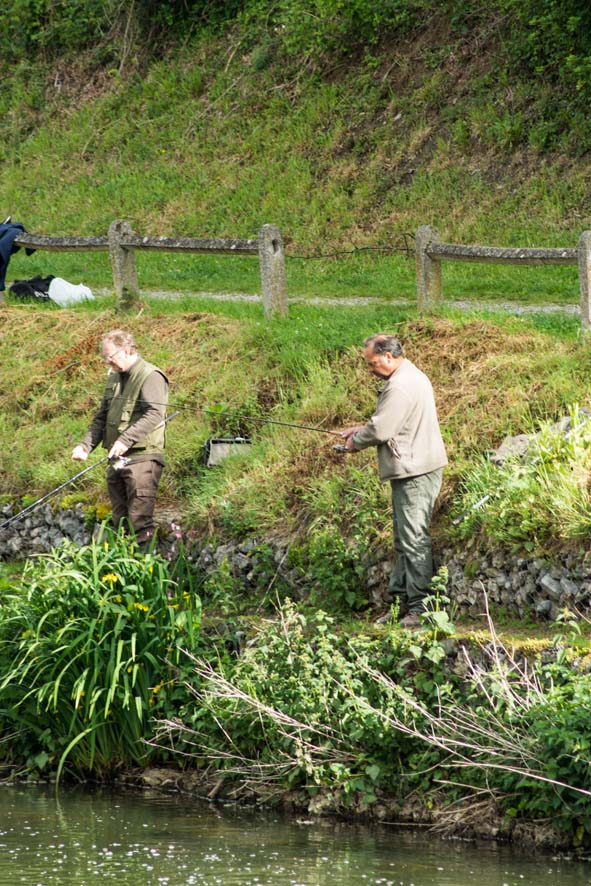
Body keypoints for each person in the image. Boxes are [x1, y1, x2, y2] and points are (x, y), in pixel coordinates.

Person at [339, 333, 447, 627]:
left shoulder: (399, 386)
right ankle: (401, 603)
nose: (370, 370)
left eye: (372, 363)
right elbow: (392, 421)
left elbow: (382, 429)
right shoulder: (410, 376)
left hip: (415, 471)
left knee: (412, 540)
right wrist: (361, 428)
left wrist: (355, 441)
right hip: (415, 466)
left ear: (388, 357)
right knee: (403, 539)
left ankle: (420, 608)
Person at [72, 330, 169, 548]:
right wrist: (85, 446)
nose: (107, 361)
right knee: (120, 521)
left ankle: (145, 572)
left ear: (126, 350)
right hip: (117, 460)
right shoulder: (114, 378)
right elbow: (102, 416)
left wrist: (125, 440)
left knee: (139, 522)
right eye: (104, 357)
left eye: (110, 356)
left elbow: (155, 413)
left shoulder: (151, 376)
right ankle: (122, 571)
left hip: (143, 458)